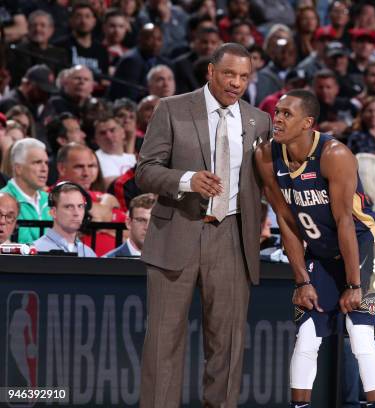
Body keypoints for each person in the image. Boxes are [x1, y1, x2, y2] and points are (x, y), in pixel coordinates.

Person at [135, 43, 272, 407]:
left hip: (232, 237)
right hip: (177, 231)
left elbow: (265, 182)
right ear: (211, 72)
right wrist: (187, 180)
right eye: (230, 74)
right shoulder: (172, 109)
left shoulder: (259, 120)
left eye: (244, 77)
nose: (236, 83)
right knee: (164, 343)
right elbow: (145, 171)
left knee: (226, 345)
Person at [255, 90, 375, 408]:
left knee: (359, 335)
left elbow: (345, 223)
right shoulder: (265, 156)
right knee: (306, 338)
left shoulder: (335, 155)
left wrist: (354, 285)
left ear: (308, 123)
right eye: (277, 112)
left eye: (287, 114)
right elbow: (285, 221)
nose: (279, 118)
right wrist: (302, 281)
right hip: (320, 250)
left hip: (363, 245)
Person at [0, 138, 51, 244]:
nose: (44, 168)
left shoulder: (51, 200)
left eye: (46, 163)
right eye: (37, 162)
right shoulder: (2, 201)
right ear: (18, 168)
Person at [33, 182, 96, 257]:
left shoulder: (89, 253)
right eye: (69, 207)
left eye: (80, 206)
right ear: (53, 212)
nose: (77, 213)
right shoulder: (35, 250)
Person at [104, 193, 154, 258]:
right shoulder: (108, 261)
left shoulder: (170, 261)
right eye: (141, 220)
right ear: (129, 223)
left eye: (154, 222)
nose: (147, 227)